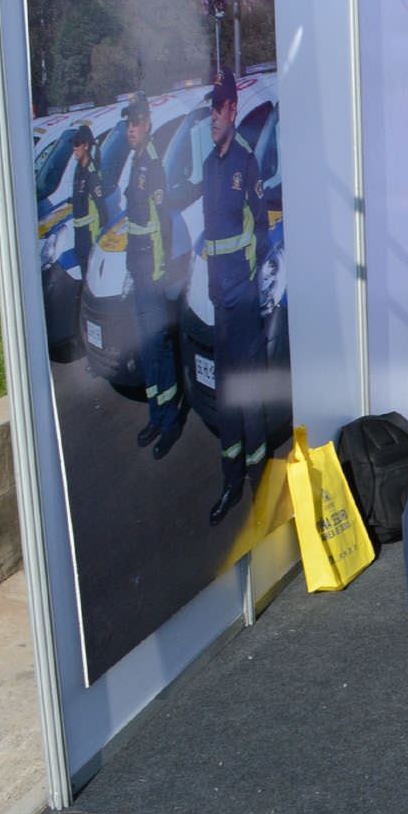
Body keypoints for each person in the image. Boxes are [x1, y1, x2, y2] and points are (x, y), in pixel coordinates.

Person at [202, 69, 274, 527]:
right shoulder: (210, 164)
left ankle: (261, 488)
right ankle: (230, 480)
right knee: (226, 395)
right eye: (210, 108)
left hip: (243, 303)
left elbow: (262, 234)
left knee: (248, 398)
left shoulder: (246, 164)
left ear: (232, 110)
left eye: (218, 108)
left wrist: (247, 288)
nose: (212, 117)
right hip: (218, 303)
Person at [121, 93, 187, 461]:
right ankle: (155, 416)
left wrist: (159, 276)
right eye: (127, 123)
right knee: (147, 350)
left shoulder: (153, 167)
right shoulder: (135, 164)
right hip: (139, 272)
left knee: (160, 351)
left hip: (153, 277)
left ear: (147, 123)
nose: (130, 129)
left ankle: (171, 422)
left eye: (135, 122)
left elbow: (162, 228)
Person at [66, 125, 106, 276]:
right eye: (73, 144)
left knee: (91, 276)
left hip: (90, 236)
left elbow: (101, 209)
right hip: (80, 235)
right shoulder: (78, 169)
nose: (74, 148)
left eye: (77, 144)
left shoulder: (92, 172)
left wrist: (98, 241)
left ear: (86, 145)